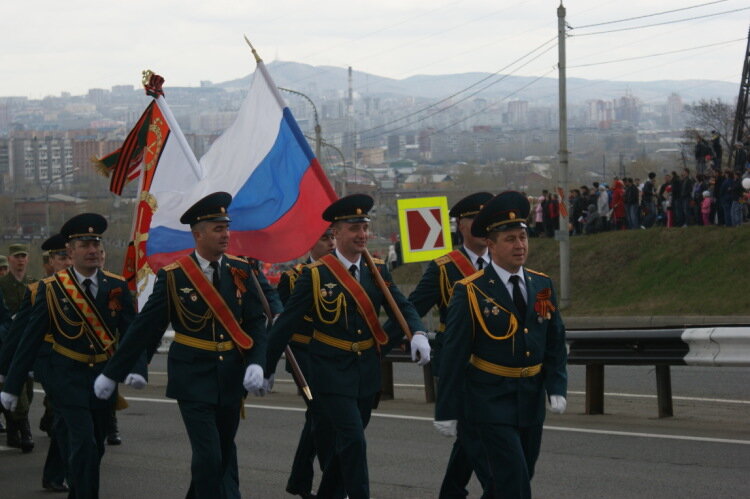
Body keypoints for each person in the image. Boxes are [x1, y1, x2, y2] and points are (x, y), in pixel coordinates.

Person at [94, 192, 267, 498]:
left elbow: (255, 322)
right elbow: (144, 328)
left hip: (230, 378)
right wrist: (113, 372)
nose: (225, 234)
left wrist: (257, 361)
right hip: (192, 379)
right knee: (210, 457)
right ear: (198, 233)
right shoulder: (175, 277)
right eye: (217, 228)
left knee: (221, 457)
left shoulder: (241, 270)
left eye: (226, 227)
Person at [265, 193, 430, 499]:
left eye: (364, 228)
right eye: (354, 229)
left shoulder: (377, 270)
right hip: (329, 372)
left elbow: (401, 305)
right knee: (354, 442)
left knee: (345, 447)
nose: (362, 235)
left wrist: (417, 332)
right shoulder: (315, 275)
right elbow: (284, 326)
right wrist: (263, 368)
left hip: (367, 372)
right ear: (337, 232)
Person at [1, 214, 146, 499]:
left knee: (98, 446)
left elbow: (132, 335)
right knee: (83, 445)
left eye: (96, 244)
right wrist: (11, 382)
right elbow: (27, 339)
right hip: (67, 378)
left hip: (103, 380)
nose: (92, 250)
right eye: (84, 244)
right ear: (70, 251)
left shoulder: (115, 286)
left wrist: (136, 368)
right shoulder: (51, 289)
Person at [434, 191, 567, 499]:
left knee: (516, 479)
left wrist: (556, 386)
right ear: (491, 245)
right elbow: (454, 355)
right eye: (510, 239)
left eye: (523, 237)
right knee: (513, 484)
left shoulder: (541, 284)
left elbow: (554, 341)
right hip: (488, 401)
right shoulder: (470, 291)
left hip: (530, 401)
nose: (520, 245)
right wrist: (447, 408)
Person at [386, 192, 493, 499]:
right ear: (461, 226)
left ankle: (450, 493)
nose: (484, 228)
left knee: (471, 437)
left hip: (496, 366)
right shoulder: (445, 268)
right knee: (479, 436)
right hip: (459, 365)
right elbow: (412, 309)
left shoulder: (503, 262)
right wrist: (378, 346)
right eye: (476, 221)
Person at [0, 235, 71, 491]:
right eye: (62, 257)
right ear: (50, 261)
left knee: (69, 422)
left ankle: (54, 473)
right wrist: (6, 373)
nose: (67, 261)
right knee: (72, 420)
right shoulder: (38, 290)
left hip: (80, 367)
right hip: (50, 361)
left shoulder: (92, 286)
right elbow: (20, 334)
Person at [277, 227, 336, 499]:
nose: (331, 243)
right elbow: (283, 322)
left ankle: (299, 481)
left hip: (335, 358)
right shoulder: (292, 278)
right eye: (325, 238)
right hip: (304, 358)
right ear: (309, 242)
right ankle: (335, 485)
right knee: (323, 415)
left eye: (334, 237)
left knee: (318, 417)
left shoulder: (343, 275)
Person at [0, 243, 36, 451]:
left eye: (24, 256)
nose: (21, 260)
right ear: (10, 259)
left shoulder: (33, 284)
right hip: (7, 342)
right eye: (17, 256)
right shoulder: (2, 285)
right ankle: (24, 428)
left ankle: (13, 427)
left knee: (28, 389)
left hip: (28, 342)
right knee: (17, 388)